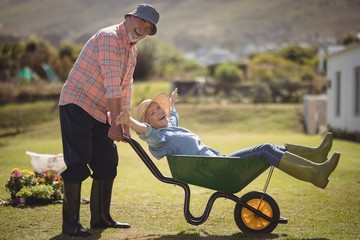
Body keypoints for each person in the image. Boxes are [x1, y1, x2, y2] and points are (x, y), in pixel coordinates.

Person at [58, 4, 160, 237]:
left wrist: (124, 124)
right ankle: (70, 224)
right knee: (78, 161)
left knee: (107, 162)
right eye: (141, 22)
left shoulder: (132, 49)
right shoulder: (108, 37)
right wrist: (114, 124)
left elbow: (125, 88)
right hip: (77, 103)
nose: (143, 29)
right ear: (129, 17)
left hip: (100, 109)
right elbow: (112, 85)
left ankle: (100, 218)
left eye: (148, 27)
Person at [116, 88, 340, 191]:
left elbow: (172, 116)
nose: (159, 112)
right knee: (265, 149)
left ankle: (315, 156)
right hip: (216, 169)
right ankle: (315, 174)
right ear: (150, 122)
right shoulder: (159, 138)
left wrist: (172, 102)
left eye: (158, 108)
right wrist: (130, 122)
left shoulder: (171, 128)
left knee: (269, 148)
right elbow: (146, 132)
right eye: (153, 113)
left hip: (218, 162)